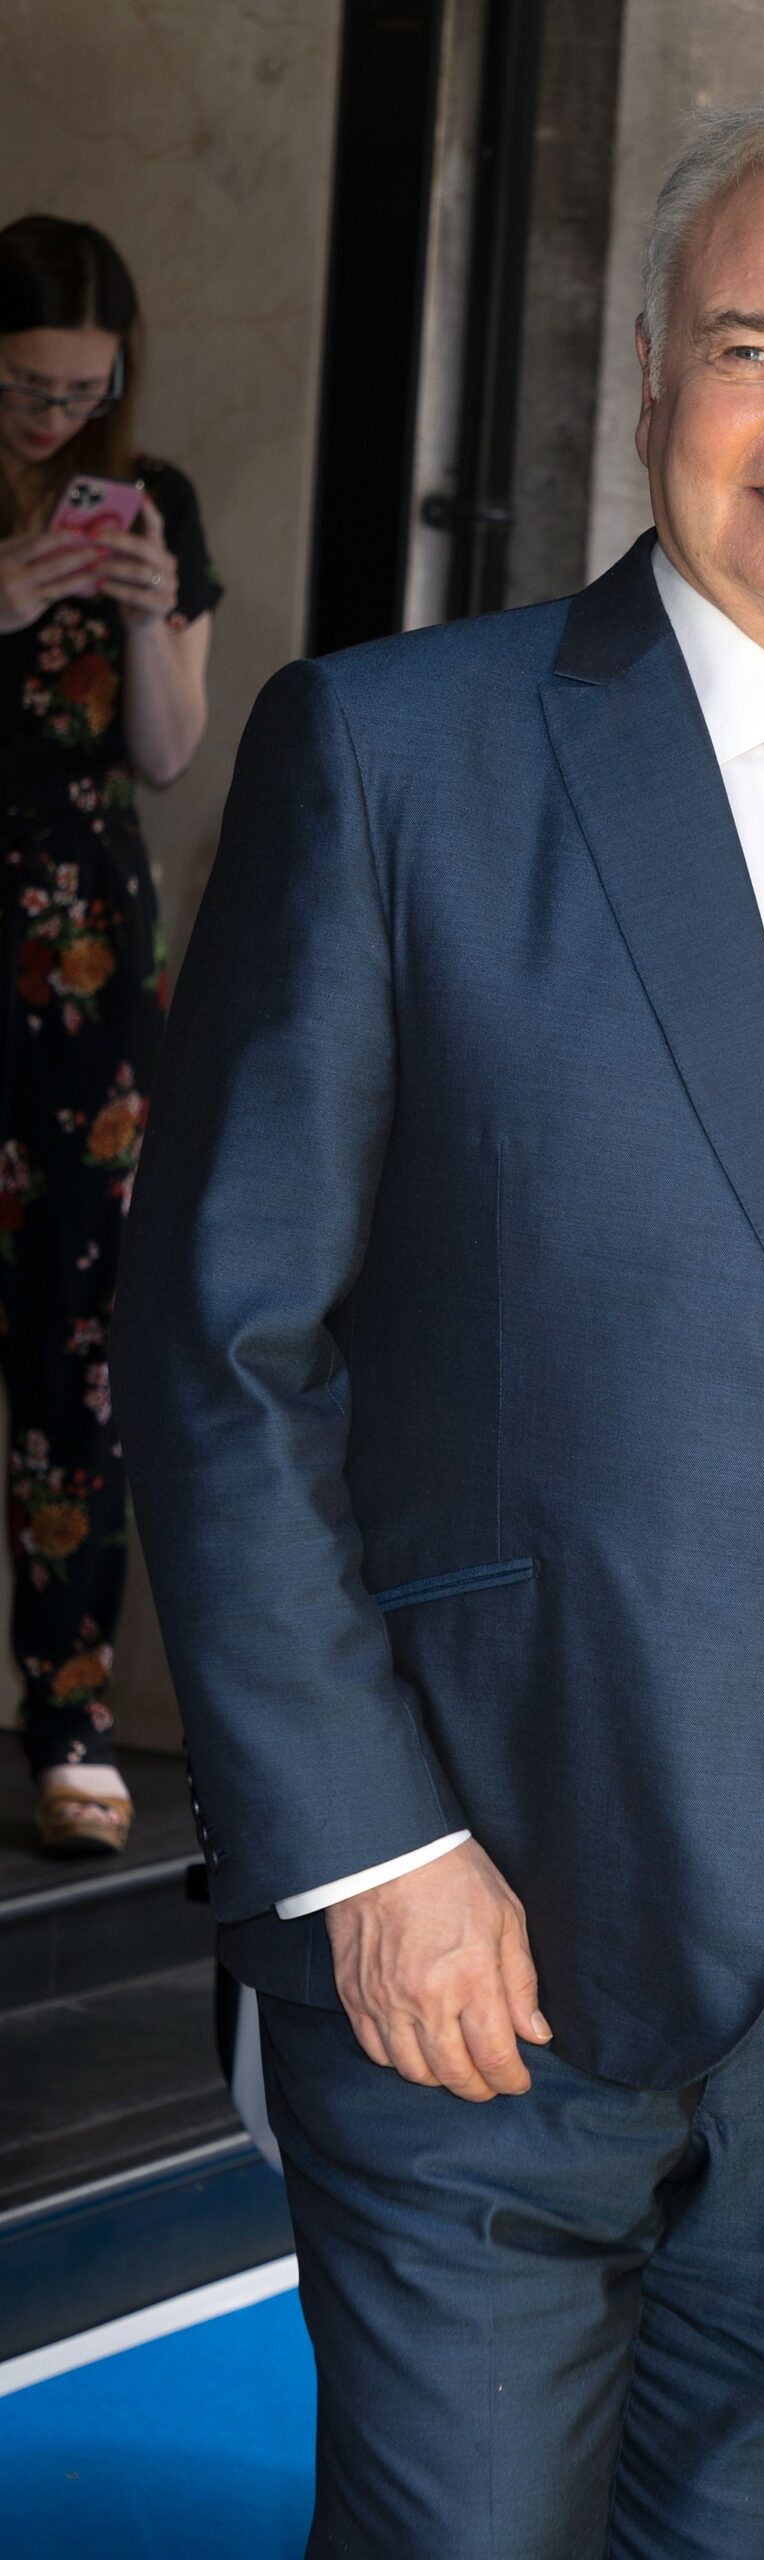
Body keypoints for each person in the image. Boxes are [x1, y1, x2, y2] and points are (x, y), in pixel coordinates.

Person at [114, 89, 764, 2560]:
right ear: (649, 387)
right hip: (483, 1891)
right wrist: (366, 1844)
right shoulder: (397, 752)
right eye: (753, 349)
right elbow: (224, 1333)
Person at [0, 215, 216, 1856]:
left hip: (84, 963)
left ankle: (70, 1716)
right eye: (24, 389)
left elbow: (164, 755)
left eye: (85, 389)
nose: (55, 421)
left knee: (84, 1343)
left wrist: (147, 613)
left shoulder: (158, 506)